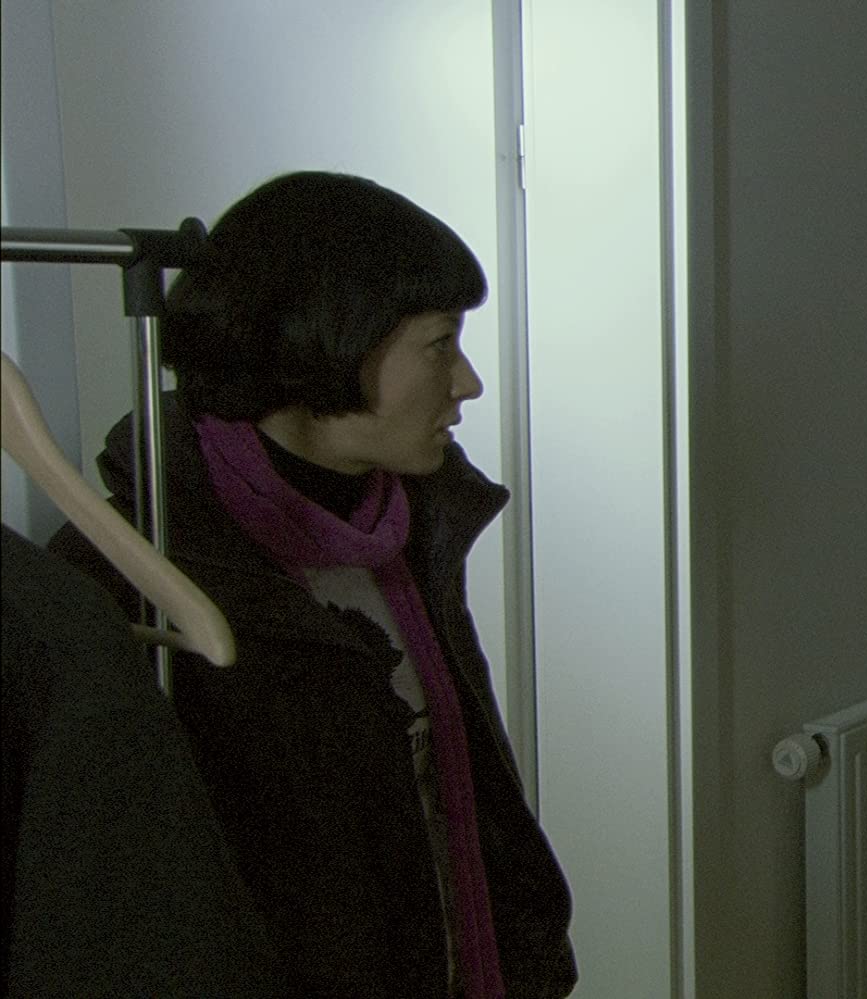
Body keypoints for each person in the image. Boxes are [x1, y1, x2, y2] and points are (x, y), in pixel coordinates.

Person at [51, 172, 576, 998]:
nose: (467, 381)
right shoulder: (135, 574)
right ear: (335, 336)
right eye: (440, 343)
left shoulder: (409, 528)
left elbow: (458, 800)